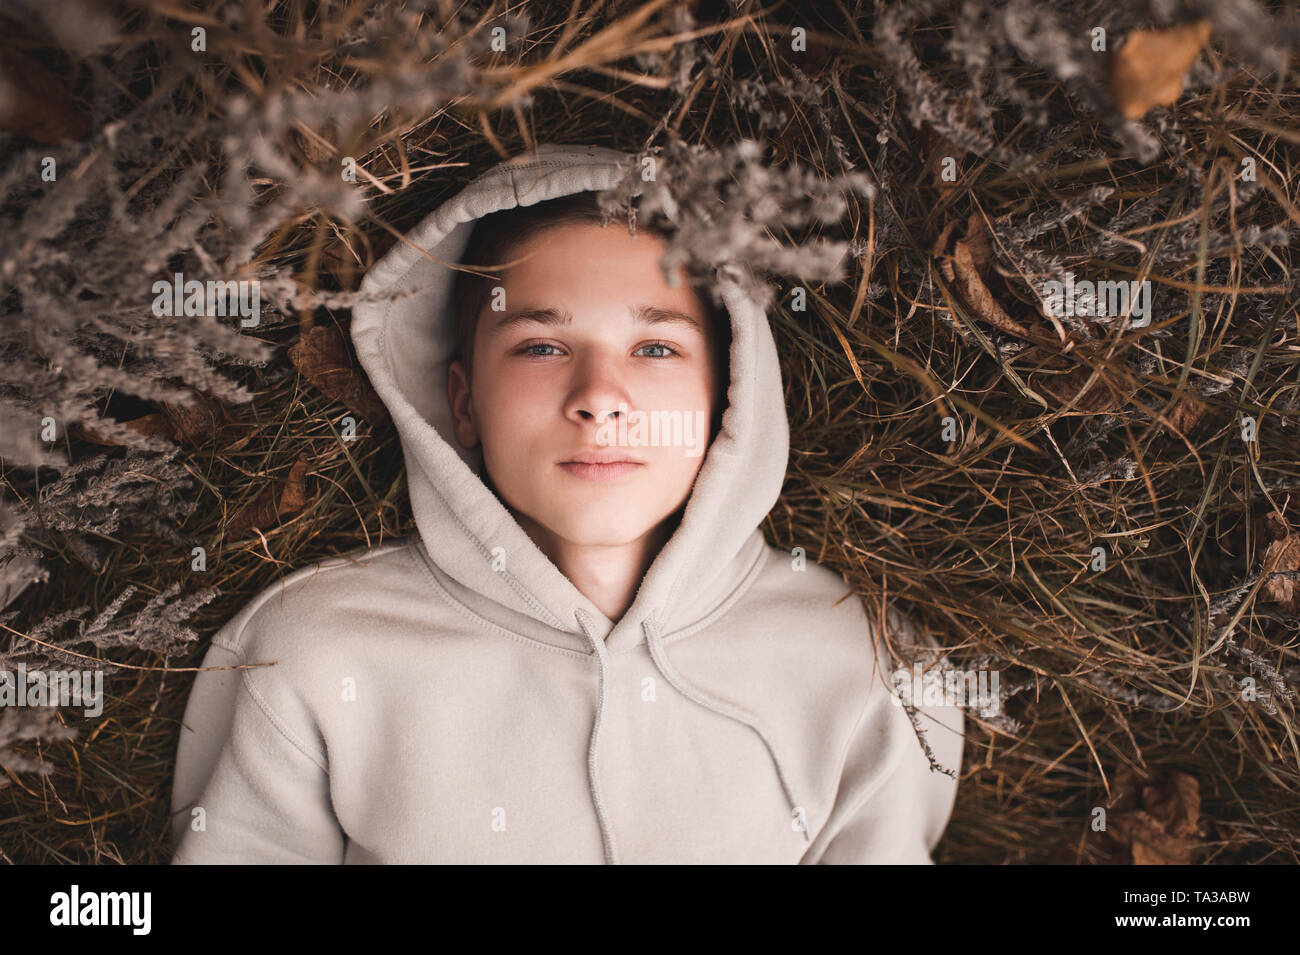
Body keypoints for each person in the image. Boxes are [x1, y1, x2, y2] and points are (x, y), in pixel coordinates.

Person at [169, 142, 963, 863]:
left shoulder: (854, 659)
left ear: (730, 394)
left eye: (655, 347)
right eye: (542, 346)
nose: (599, 398)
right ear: (464, 401)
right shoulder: (311, 652)